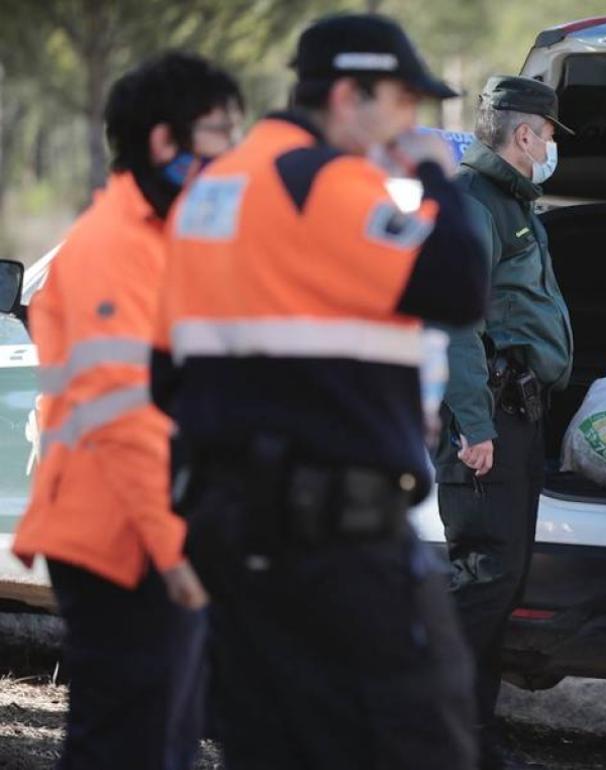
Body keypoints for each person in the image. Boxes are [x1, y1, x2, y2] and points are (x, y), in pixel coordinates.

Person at [153, 14, 487, 769]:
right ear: (350, 93)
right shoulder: (326, 181)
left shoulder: (212, 190)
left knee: (274, 741)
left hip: (227, 524)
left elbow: (165, 368)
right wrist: (434, 173)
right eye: (403, 101)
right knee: (418, 734)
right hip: (335, 535)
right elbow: (460, 281)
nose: (409, 121)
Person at [12, 52, 242, 770]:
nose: (231, 151)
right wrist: (173, 554)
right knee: (129, 744)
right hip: (122, 539)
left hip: (146, 529)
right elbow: (123, 416)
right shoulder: (115, 249)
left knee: (158, 740)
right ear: (166, 143)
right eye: (218, 133)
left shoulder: (159, 238)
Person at [436, 75, 574, 770]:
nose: (551, 148)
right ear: (525, 134)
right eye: (548, 135)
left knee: (503, 580)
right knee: (483, 578)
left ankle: (471, 740)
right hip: (486, 423)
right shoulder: (473, 203)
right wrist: (475, 424)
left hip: (518, 418)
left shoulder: (515, 204)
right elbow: (456, 320)